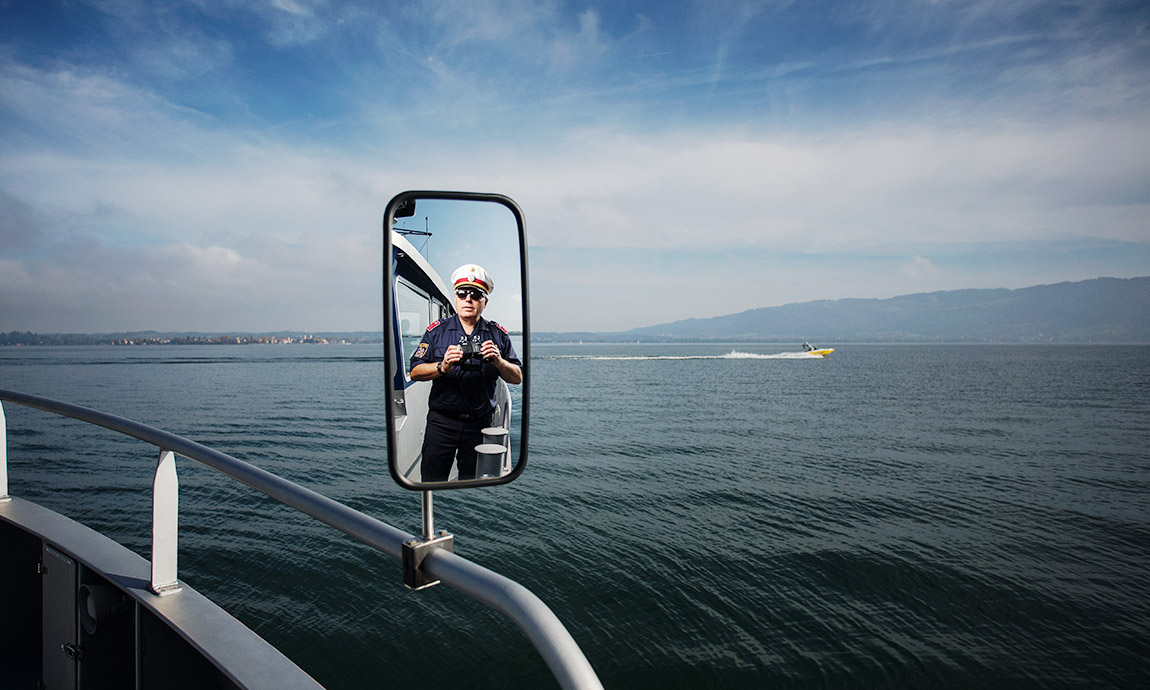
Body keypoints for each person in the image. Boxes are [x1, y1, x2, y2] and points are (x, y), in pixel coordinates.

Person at [409, 264, 522, 482]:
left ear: (484, 302)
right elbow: (415, 371)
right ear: (456, 298)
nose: (468, 299)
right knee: (432, 480)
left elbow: (517, 377)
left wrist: (499, 362)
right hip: (442, 423)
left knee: (471, 482)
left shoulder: (498, 335)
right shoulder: (437, 332)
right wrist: (442, 366)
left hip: (479, 424)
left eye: (476, 295)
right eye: (462, 293)